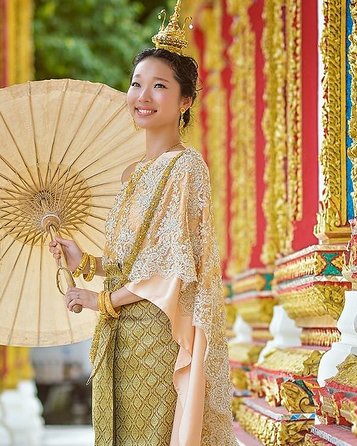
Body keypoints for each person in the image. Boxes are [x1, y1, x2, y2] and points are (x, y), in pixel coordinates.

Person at [48, 2, 236, 444]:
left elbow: (171, 269)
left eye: (159, 87)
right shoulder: (132, 173)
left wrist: (101, 302)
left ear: (185, 100)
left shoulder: (186, 168)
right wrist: (86, 262)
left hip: (154, 337)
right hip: (116, 338)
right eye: (136, 85)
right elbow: (132, 260)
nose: (143, 97)